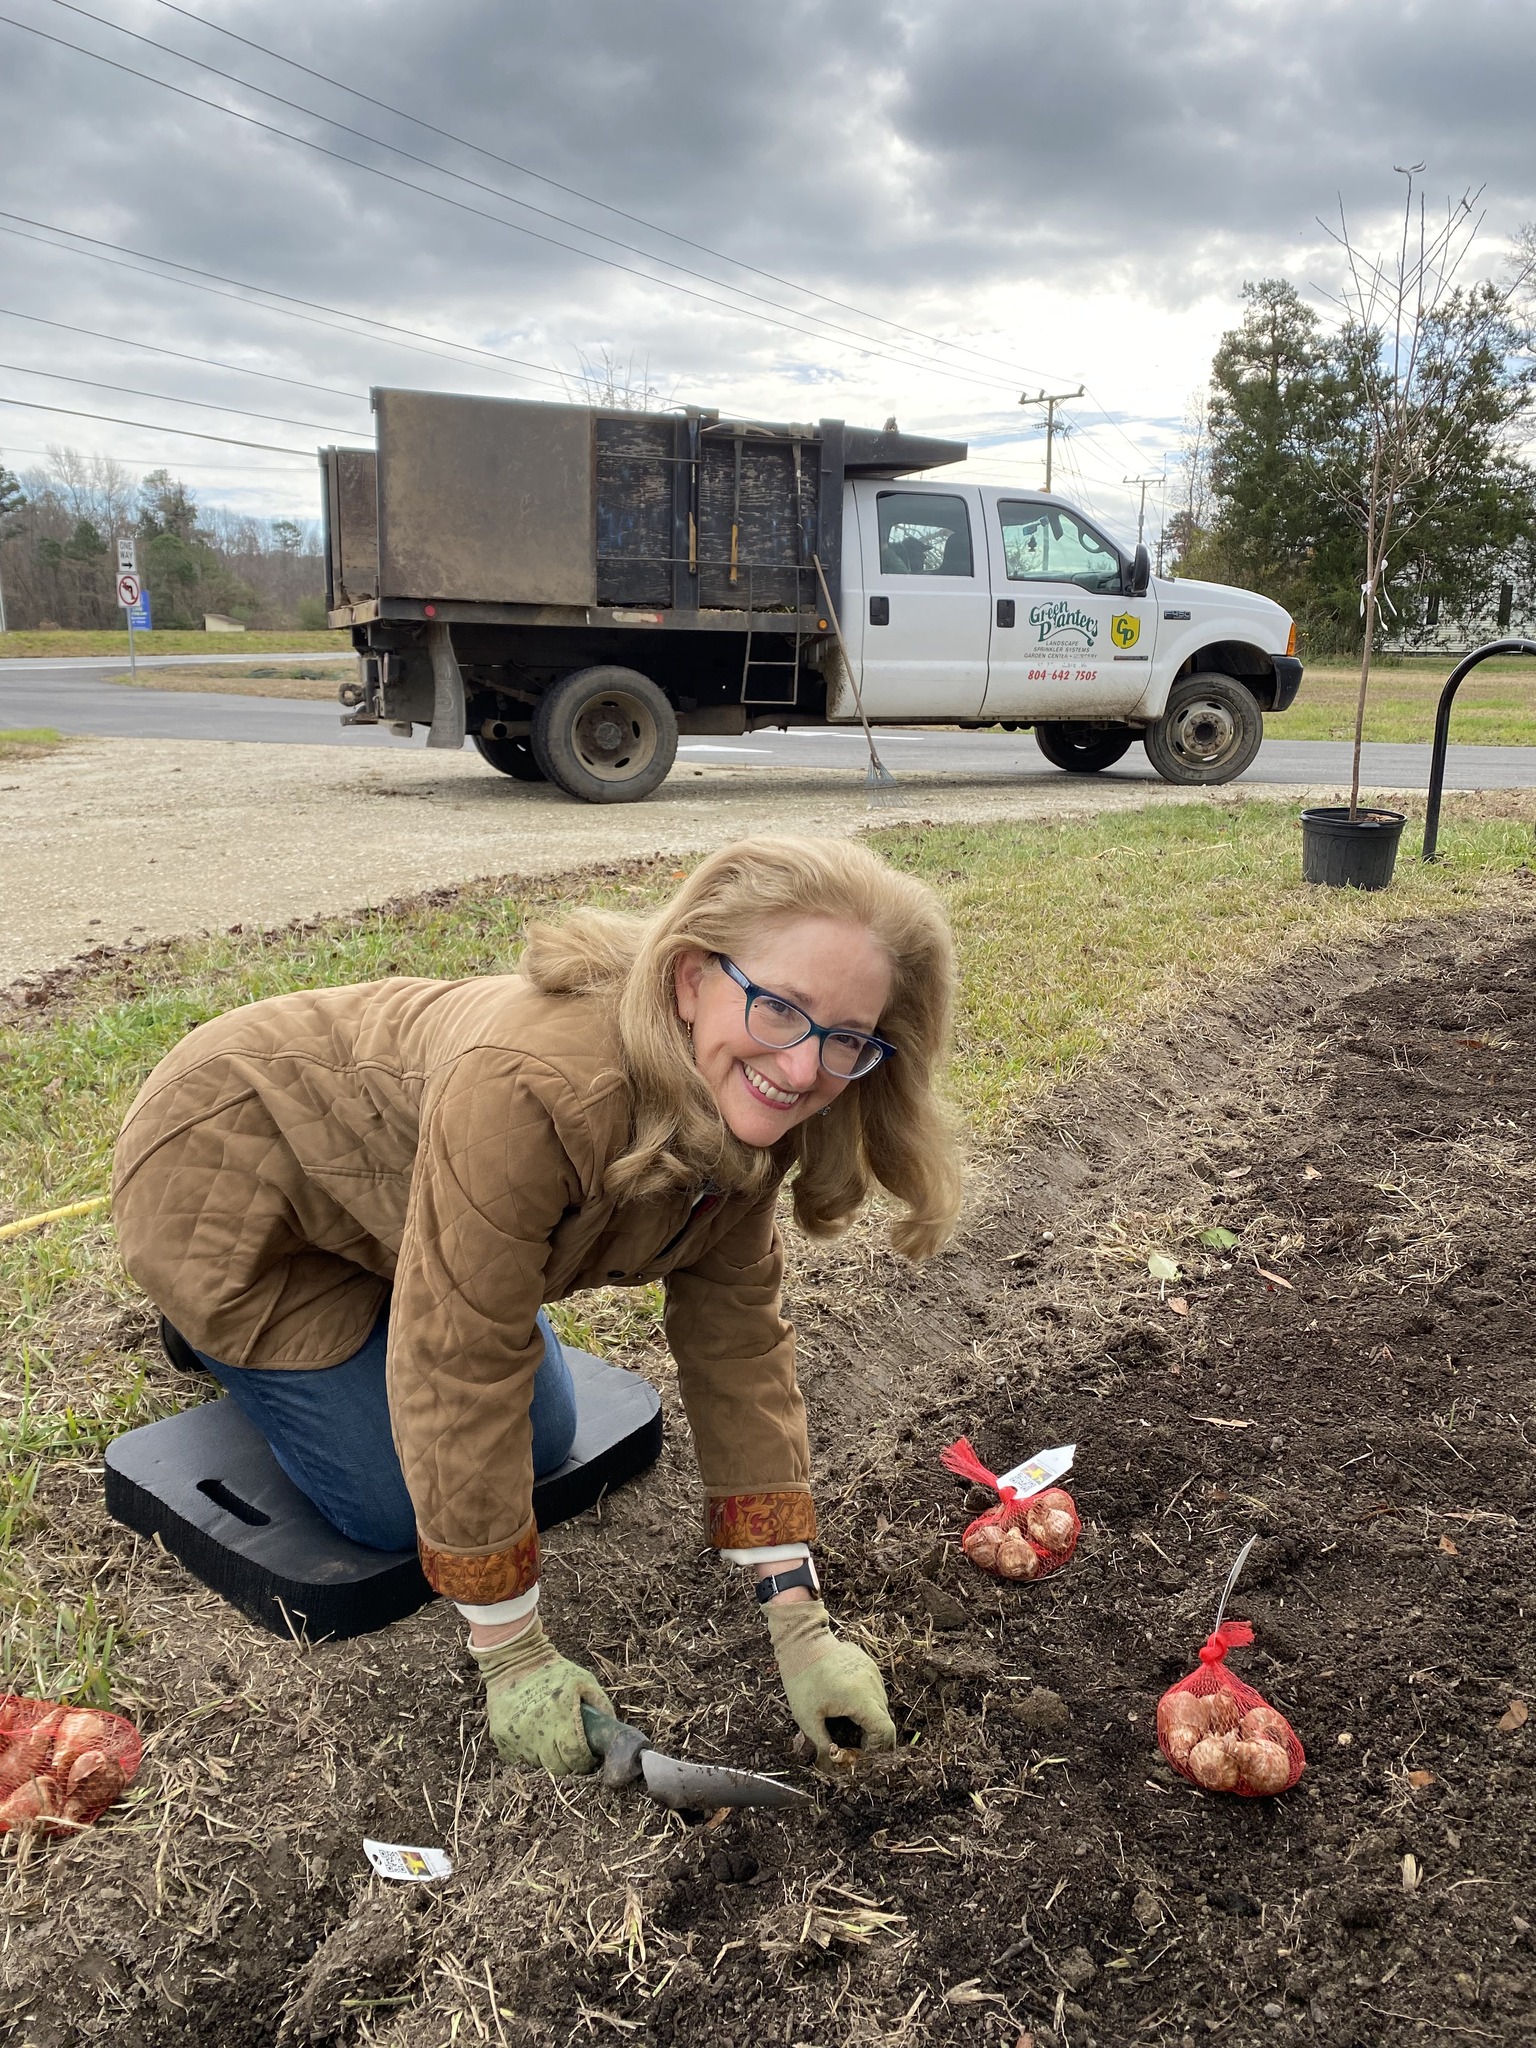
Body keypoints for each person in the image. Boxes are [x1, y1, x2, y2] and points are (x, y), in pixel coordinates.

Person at [112, 837, 963, 1774]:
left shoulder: (752, 1095)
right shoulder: (537, 1088)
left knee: (545, 1436)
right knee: (400, 1507)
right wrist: (511, 1650)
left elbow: (740, 1340)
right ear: (689, 979)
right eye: (779, 1008)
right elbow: (461, 1358)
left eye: (845, 1037)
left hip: (394, 1207)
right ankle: (213, 1327)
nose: (804, 1070)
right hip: (233, 1187)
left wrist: (801, 1624)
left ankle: (357, 1320)